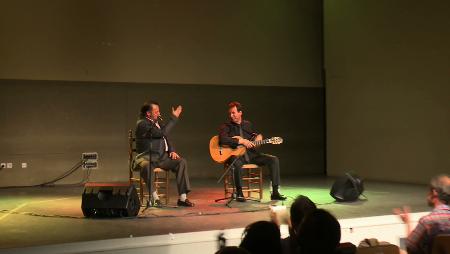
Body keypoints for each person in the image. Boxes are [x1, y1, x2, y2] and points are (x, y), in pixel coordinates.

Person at [218, 101, 286, 202]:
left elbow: (256, 135)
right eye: (230, 113)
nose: (231, 115)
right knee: (236, 163)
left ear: (240, 112)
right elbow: (222, 140)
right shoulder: (226, 126)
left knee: (274, 160)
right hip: (237, 157)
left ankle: (275, 192)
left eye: (234, 113)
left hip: (251, 155)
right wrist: (241, 140)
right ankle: (239, 193)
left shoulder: (248, 124)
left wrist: (259, 137)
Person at [134, 101, 194, 207]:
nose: (159, 113)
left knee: (181, 162)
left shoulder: (158, 122)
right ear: (148, 113)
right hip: (147, 157)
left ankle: (183, 198)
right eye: (156, 111)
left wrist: (172, 150)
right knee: (146, 167)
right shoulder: (142, 123)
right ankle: (155, 198)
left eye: (158, 111)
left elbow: (166, 137)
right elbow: (161, 133)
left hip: (162, 158)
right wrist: (173, 118)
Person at [394, 174, 450, 254]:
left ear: (434, 192)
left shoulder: (427, 221)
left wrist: (408, 224)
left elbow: (409, 248)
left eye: (429, 191)